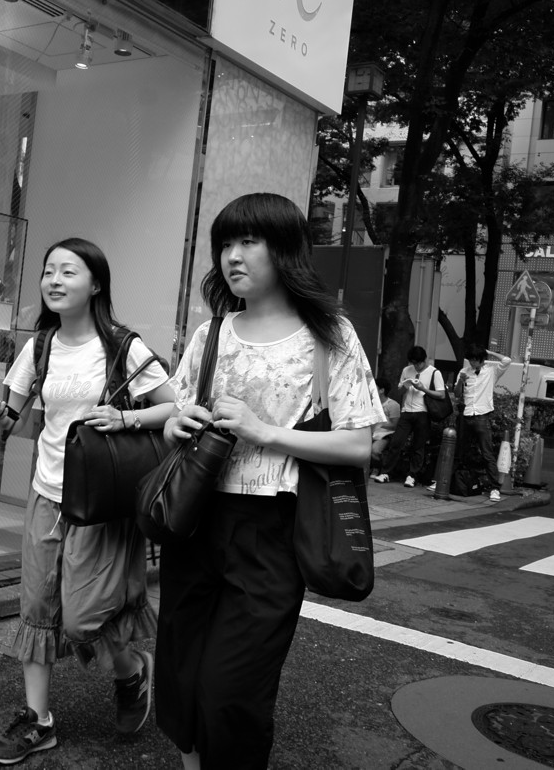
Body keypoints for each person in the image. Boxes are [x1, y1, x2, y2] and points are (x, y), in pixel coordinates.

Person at [155, 193, 385, 769]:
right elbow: (178, 414)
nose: (233, 256)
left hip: (273, 529)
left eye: (248, 241)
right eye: (226, 244)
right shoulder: (212, 335)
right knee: (182, 673)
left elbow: (359, 444)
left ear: (284, 250)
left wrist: (265, 432)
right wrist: (176, 425)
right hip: (196, 521)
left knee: (232, 690)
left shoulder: (328, 335)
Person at [0, 237, 178, 764]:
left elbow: (175, 409)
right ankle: (39, 722)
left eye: (68, 271)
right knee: (38, 610)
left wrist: (127, 417)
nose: (54, 280)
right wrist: (0, 415)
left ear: (97, 284)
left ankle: (133, 671)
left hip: (102, 503)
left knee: (81, 619)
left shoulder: (123, 345)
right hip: (47, 494)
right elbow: (16, 415)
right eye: (48, 272)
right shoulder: (40, 345)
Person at [433, 343, 510, 501]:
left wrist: (487, 351)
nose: (472, 363)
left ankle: (495, 488)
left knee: (487, 453)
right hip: (466, 415)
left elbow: (507, 360)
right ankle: (443, 482)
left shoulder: (491, 371)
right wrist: (461, 381)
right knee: (459, 451)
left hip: (482, 415)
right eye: (470, 360)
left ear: (481, 359)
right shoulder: (464, 371)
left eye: (475, 360)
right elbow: (457, 394)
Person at [372, 345, 444, 487]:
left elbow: (441, 394)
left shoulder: (434, 373)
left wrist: (423, 388)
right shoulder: (406, 370)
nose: (416, 366)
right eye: (413, 363)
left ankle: (412, 476)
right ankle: (386, 473)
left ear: (424, 360)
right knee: (396, 442)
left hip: (423, 412)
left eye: (418, 363)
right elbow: (399, 393)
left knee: (418, 446)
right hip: (406, 412)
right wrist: (403, 387)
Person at [371, 375, 401, 476]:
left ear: (381, 390)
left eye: (374, 387)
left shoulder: (393, 405)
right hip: (370, 433)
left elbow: (393, 425)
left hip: (385, 435)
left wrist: (378, 424)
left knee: (374, 450)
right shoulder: (371, 404)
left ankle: (378, 468)